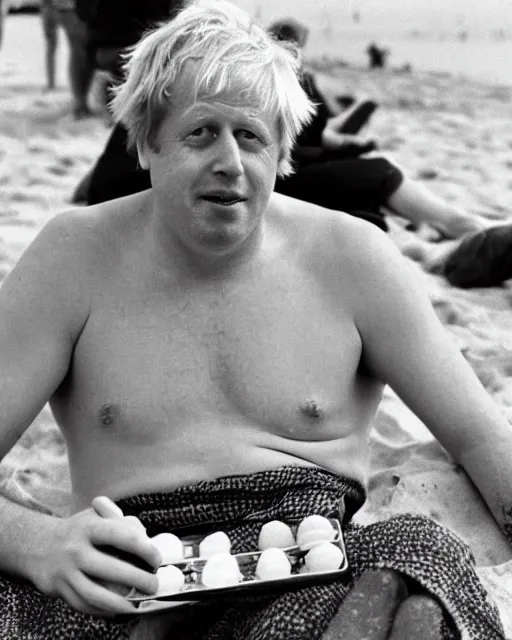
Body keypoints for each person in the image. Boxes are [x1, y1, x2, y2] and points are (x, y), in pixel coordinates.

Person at [0, 2, 510, 638]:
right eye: (200, 133)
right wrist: (37, 543)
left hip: (313, 571)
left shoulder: (353, 257)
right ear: (147, 142)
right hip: (123, 581)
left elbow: (481, 439)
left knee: (420, 559)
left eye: (250, 137)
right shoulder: (73, 256)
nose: (230, 163)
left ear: (282, 150)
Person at [40, 0, 94, 118]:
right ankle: (80, 101)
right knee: (77, 50)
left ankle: (52, 84)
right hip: (66, 7)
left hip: (49, 6)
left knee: (53, 47)